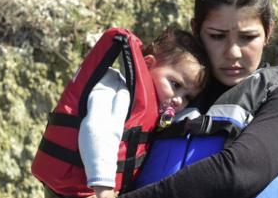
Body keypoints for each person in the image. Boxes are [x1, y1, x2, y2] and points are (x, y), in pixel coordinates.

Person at [119, 0, 278, 198]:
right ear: (196, 30)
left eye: (247, 37)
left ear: (268, 32)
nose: (233, 52)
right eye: (217, 36)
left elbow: (239, 173)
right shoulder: (172, 93)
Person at [32, 27, 207, 198]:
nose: (179, 100)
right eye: (175, 84)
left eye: (188, 97)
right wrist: (104, 189)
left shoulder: (154, 108)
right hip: (82, 189)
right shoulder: (117, 91)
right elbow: (98, 131)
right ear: (148, 64)